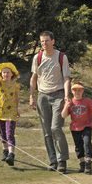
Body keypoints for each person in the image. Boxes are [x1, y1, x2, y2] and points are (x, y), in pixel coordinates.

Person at [29, 31, 71, 173]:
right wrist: (31, 96)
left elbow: (66, 78)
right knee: (47, 132)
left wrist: (66, 95)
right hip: (42, 96)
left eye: (47, 41)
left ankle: (62, 160)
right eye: (42, 41)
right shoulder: (38, 57)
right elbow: (34, 78)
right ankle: (53, 161)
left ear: (53, 41)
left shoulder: (61, 57)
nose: (44, 44)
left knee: (55, 128)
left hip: (58, 95)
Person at [0, 62, 20, 166]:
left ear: (12, 74)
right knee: (2, 133)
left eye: (7, 72)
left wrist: (17, 110)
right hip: (0, 111)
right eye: (4, 72)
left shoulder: (15, 85)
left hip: (11, 112)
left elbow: (16, 98)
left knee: (10, 133)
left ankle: (11, 155)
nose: (5, 74)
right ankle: (5, 151)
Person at [62, 80, 92, 174]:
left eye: (79, 90)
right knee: (78, 146)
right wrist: (66, 106)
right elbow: (63, 115)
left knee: (86, 142)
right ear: (71, 91)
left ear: (83, 91)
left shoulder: (87, 101)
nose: (77, 92)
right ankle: (82, 163)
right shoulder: (71, 102)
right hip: (75, 127)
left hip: (87, 126)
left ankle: (88, 162)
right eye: (75, 90)